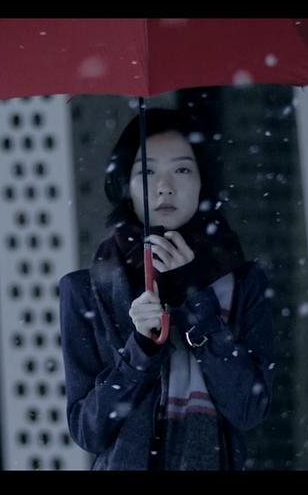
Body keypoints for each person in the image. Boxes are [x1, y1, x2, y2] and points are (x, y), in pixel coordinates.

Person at [59, 108, 276, 470]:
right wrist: (141, 349)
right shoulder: (86, 291)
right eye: (146, 172)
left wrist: (195, 300)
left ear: (203, 180)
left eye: (182, 169)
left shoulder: (243, 283)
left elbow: (248, 409)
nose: (164, 186)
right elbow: (88, 430)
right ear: (124, 184)